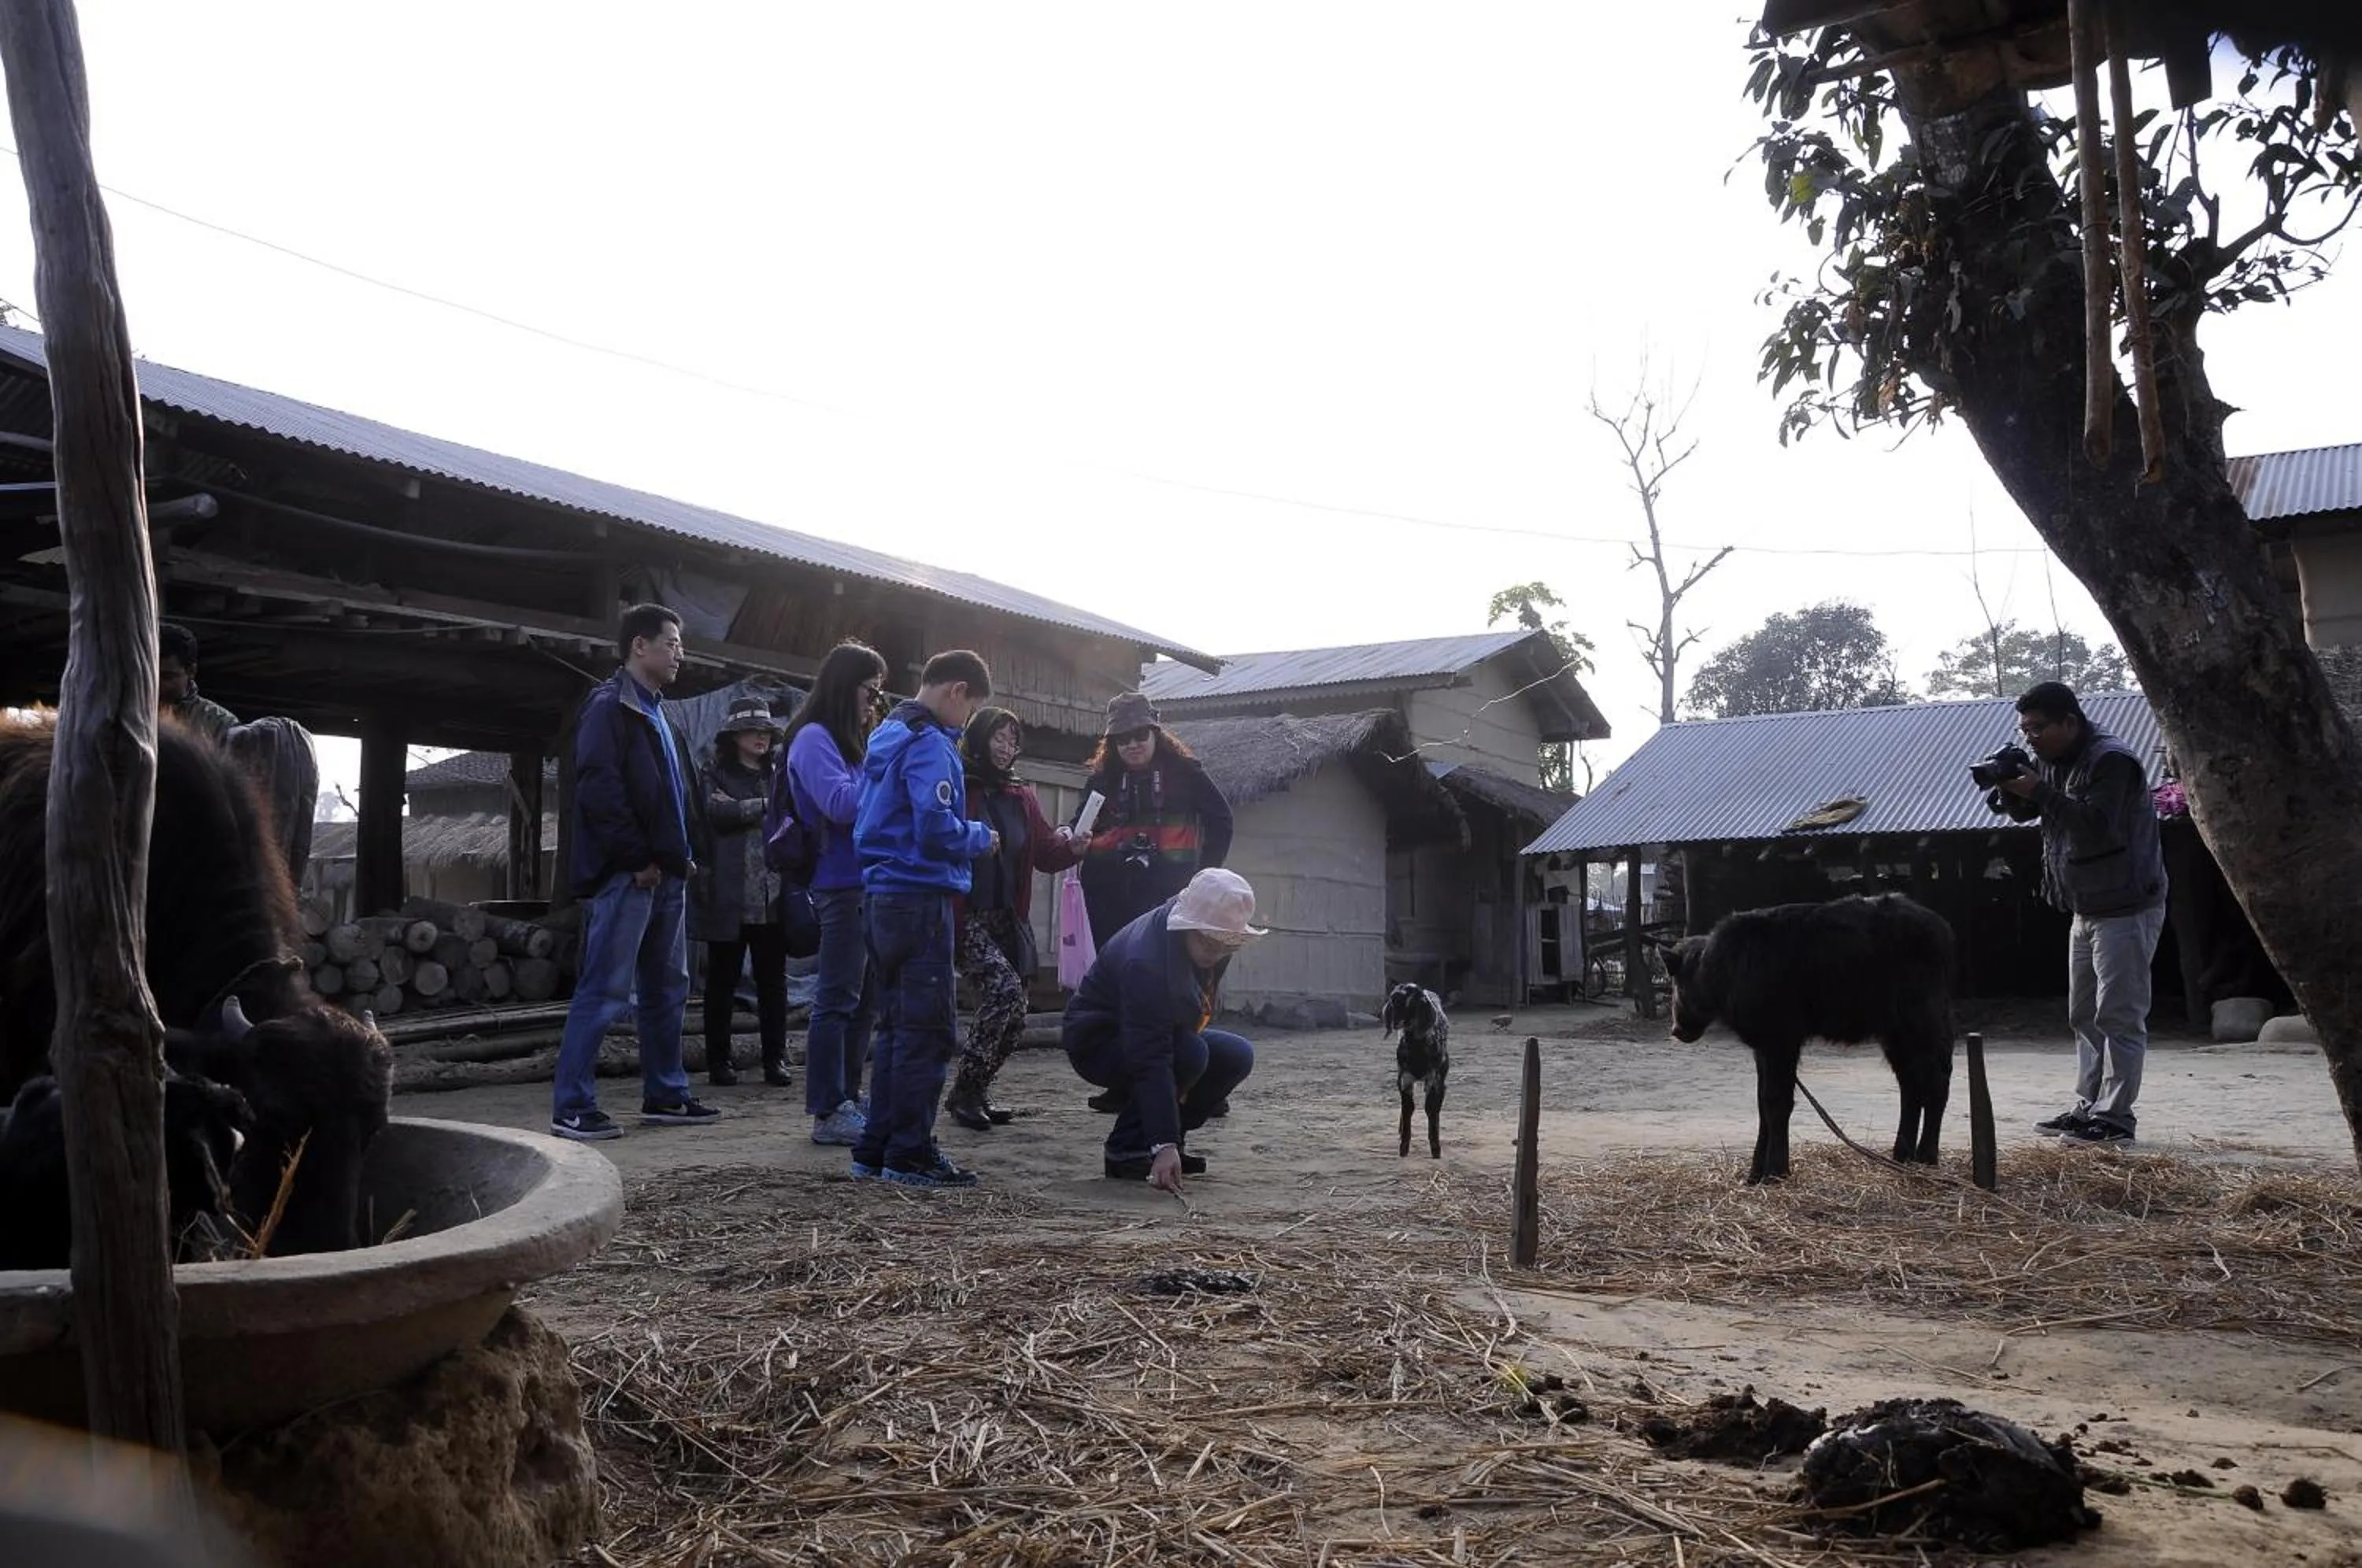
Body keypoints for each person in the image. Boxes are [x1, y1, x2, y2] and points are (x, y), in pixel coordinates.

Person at [549, 604, 718, 1142]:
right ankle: (572, 1106)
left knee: (669, 987)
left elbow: (672, 794)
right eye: (670, 642)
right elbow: (598, 790)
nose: (679, 653)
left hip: (667, 875)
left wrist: (681, 855)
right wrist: (635, 859)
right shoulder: (609, 706)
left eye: (680, 644)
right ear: (638, 646)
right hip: (629, 876)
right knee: (604, 991)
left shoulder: (658, 712)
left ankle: (666, 1094)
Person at [1986, 681, 2168, 1146]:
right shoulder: (2054, 759)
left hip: (2126, 905)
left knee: (2120, 1014)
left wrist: (2039, 790)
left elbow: (2098, 827)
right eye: (2025, 730)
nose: (2032, 738)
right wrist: (2014, 788)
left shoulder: (2111, 760)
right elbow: (2026, 816)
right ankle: (2089, 1107)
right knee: (2083, 1014)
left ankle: (2116, 1119)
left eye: (2039, 728)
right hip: (2085, 907)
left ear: (2070, 721)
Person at [848, 649, 997, 1187]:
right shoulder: (931, 744)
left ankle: (877, 1146)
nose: (968, 722)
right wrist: (981, 837)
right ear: (957, 691)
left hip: (882, 895)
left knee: (894, 1027)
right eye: (973, 709)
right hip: (920, 897)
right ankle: (910, 1152)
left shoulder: (887, 735)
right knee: (928, 1032)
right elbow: (937, 827)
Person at [1062, 867, 1262, 1191]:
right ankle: (1129, 1149)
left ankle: (1170, 1145)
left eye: (1228, 945)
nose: (1218, 953)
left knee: (1236, 1054)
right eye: (1211, 943)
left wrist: (1172, 1135)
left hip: (1155, 1032)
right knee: (1191, 1054)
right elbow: (1150, 1056)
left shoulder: (1204, 943)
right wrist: (1162, 1141)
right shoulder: (1146, 964)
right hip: (1099, 1041)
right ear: (1190, 925)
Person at [944, 706, 1087, 1131]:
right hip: (964, 913)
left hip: (1008, 916)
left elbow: (1044, 853)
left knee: (1018, 1011)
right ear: (978, 738)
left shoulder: (1020, 794)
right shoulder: (958, 785)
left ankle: (975, 1090)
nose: (1005, 749)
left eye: (1012, 741)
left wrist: (1074, 848)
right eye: (997, 738)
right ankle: (966, 1089)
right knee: (1003, 991)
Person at [783, 641, 888, 1147]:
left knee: (863, 1001)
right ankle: (827, 1107)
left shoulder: (848, 741)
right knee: (836, 999)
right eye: (871, 690)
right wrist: (881, 762)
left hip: (864, 882)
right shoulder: (812, 739)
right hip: (837, 882)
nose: (875, 702)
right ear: (848, 685)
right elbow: (842, 806)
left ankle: (848, 1094)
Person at [690, 696, 793, 1089]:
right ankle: (719, 1061)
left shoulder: (779, 773)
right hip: (728, 895)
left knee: (773, 982)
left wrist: (745, 806)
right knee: (722, 982)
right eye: (752, 730)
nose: (761, 738)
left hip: (773, 895)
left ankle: (775, 1059)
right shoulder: (714, 772)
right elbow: (714, 813)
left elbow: (791, 812)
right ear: (734, 736)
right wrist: (764, 807)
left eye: (765, 731)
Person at [1076, 692, 1234, 948]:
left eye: (1140, 735)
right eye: (1123, 739)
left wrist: (1201, 877)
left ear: (1155, 733)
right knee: (1111, 974)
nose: (1132, 744)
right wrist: (1070, 836)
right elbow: (1080, 823)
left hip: (1169, 895)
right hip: (1107, 896)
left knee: (1158, 975)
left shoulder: (1185, 771)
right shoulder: (1103, 777)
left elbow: (1222, 820)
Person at [157, 622, 238, 743]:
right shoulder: (128, 710)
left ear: (191, 671)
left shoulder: (220, 725)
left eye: (167, 677)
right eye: (152, 676)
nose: (158, 685)